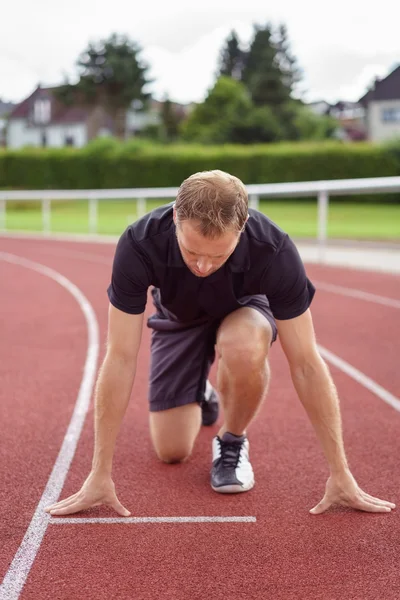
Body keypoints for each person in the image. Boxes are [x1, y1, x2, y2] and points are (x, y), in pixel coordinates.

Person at [45, 170, 395, 517]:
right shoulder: (140, 244)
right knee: (171, 450)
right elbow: (120, 357)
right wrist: (99, 474)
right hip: (180, 316)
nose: (202, 266)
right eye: (191, 251)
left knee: (243, 347)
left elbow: (305, 363)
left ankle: (232, 440)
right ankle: (205, 392)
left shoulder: (273, 249)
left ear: (241, 230)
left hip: (244, 309)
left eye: (218, 256)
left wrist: (340, 473)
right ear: (175, 217)